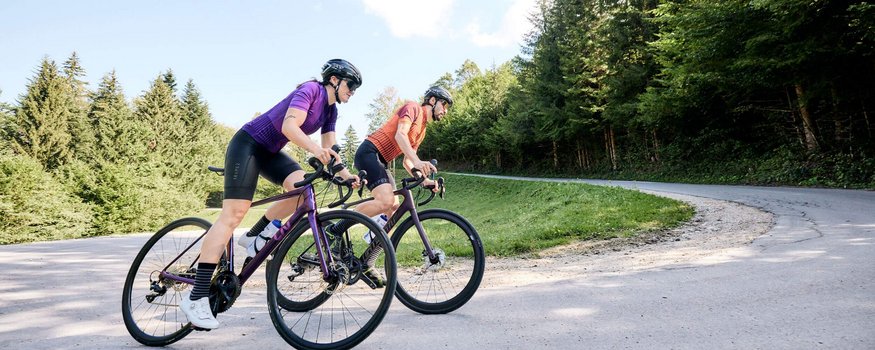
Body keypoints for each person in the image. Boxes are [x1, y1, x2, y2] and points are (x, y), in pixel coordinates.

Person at [180, 59, 363, 330]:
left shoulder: (331, 110)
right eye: (351, 86)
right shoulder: (311, 90)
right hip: (249, 144)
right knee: (232, 215)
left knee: (303, 191)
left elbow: (330, 147)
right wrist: (315, 150)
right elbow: (290, 127)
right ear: (334, 80)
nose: (353, 92)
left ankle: (256, 234)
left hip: (271, 152)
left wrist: (347, 175)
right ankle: (196, 297)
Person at [325, 86, 452, 284]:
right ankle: (334, 231)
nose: (445, 111)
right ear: (433, 100)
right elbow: (400, 136)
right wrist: (418, 162)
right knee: (386, 200)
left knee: (394, 208)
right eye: (444, 105)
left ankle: (367, 262)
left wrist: (425, 180)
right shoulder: (413, 108)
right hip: (369, 152)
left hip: (381, 161)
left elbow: (407, 162)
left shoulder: (422, 130)